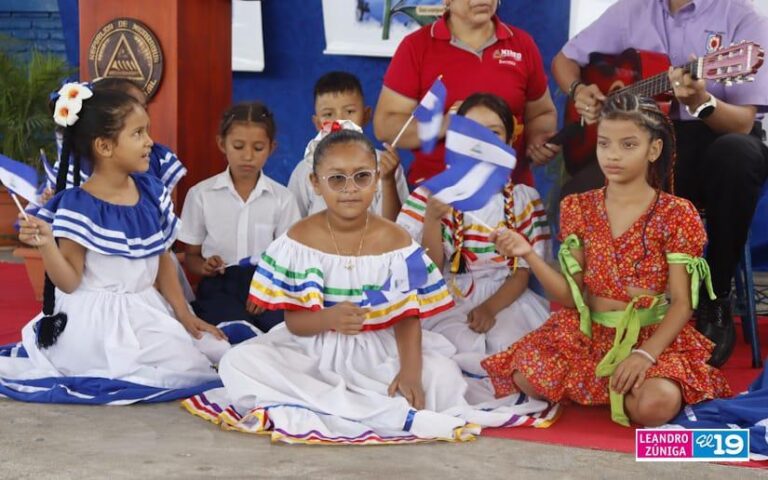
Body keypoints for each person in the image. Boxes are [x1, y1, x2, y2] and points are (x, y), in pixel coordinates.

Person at [182, 130, 555, 443]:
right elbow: (295, 323)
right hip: (314, 351)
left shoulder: (396, 242)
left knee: (441, 378)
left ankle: (362, 404)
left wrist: (409, 372)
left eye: (362, 177)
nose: (349, 189)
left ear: (376, 179)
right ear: (315, 183)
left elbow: (409, 318)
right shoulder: (298, 240)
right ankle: (385, 413)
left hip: (380, 352)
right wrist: (328, 317)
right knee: (240, 361)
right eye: (336, 179)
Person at [481, 94, 731, 427]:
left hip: (648, 333)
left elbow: (682, 304)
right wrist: (528, 254)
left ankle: (624, 386)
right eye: (604, 144)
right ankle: (613, 387)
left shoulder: (676, 213)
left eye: (628, 145)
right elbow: (571, 298)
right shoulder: (578, 207)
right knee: (524, 377)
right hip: (590, 333)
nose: (612, 155)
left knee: (655, 406)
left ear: (653, 150)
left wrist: (645, 355)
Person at [552, 0, 768, 366]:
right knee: (576, 192)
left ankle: (713, 297)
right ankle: (602, 312)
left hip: (715, 137)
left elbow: (742, 124)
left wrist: (701, 101)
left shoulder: (740, 18)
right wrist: (578, 90)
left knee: (736, 155)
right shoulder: (631, 10)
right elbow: (563, 60)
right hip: (647, 144)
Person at [0, 84, 228, 403]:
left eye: (147, 131)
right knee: (147, 370)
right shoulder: (78, 205)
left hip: (144, 308)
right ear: (105, 147)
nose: (150, 141)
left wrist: (182, 313)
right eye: (138, 134)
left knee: (208, 356)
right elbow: (68, 281)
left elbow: (162, 258)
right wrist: (47, 244)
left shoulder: (150, 192)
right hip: (94, 322)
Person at [397, 93, 550, 374]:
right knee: (450, 349)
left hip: (506, 298)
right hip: (447, 295)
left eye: (493, 133)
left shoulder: (522, 199)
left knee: (510, 346)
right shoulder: (427, 195)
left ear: (508, 141)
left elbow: (522, 272)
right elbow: (427, 270)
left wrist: (490, 308)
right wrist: (431, 219)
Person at [374, 0, 560, 187]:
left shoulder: (522, 44)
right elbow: (385, 126)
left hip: (510, 194)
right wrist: (442, 125)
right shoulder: (416, 46)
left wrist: (538, 140)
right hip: (434, 196)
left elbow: (541, 113)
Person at [178, 102, 300, 331]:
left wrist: (266, 289)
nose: (247, 156)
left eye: (258, 148)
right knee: (230, 330)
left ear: (272, 148)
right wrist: (205, 266)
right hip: (220, 286)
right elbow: (192, 257)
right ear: (221, 144)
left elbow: (289, 259)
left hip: (268, 285)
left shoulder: (283, 199)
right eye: (238, 146)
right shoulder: (201, 195)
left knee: (282, 332)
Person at [287, 71, 408, 220]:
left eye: (349, 111)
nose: (340, 120)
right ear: (317, 123)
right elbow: (293, 228)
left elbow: (396, 228)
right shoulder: (305, 169)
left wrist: (388, 180)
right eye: (328, 114)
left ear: (366, 115)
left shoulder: (385, 165)